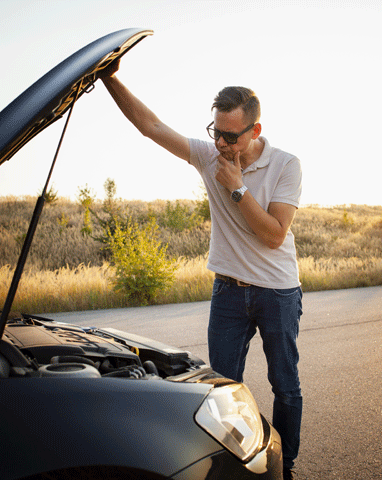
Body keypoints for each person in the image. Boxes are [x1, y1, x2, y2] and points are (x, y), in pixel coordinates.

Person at [100, 60, 303, 479]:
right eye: (217, 133)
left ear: (255, 131)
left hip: (277, 292)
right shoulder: (208, 155)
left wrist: (237, 188)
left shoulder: (286, 165)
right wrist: (108, 78)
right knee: (222, 391)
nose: (222, 145)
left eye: (232, 136)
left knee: (284, 384)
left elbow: (274, 235)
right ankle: (233, 470)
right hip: (228, 292)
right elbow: (151, 126)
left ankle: (288, 466)